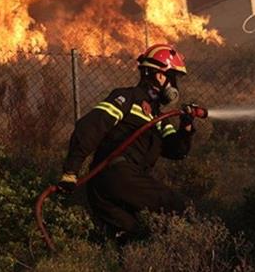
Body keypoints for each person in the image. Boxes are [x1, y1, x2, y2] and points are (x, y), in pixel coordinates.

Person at [59, 43, 197, 242]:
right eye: (173, 78)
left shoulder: (158, 117)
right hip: (117, 175)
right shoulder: (127, 98)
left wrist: (186, 127)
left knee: (132, 237)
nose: (175, 86)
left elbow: (176, 150)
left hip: (106, 187)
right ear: (160, 75)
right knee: (177, 206)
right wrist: (71, 171)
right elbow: (90, 126)